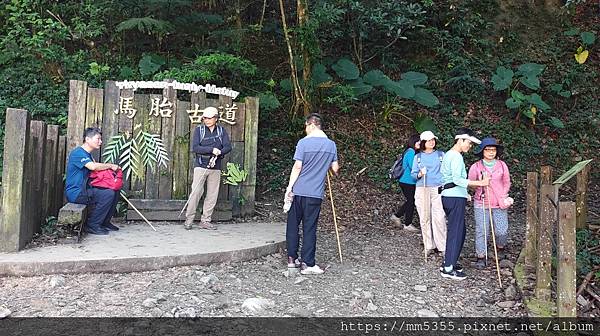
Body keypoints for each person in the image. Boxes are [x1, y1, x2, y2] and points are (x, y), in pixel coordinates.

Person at [285, 113, 339, 275]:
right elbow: (335, 169)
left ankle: (291, 259)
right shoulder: (331, 145)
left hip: (299, 190)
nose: (305, 130)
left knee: (293, 225)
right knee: (310, 227)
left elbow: (297, 167)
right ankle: (308, 264)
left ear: (312, 125)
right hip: (315, 194)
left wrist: (289, 187)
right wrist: (327, 167)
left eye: (306, 126)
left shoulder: (303, 143)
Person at [439, 128, 490, 280]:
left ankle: (450, 261)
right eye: (468, 142)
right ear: (460, 140)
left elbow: (452, 181)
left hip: (453, 196)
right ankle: (448, 267)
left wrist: (465, 193)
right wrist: (480, 182)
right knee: (456, 231)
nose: (469, 146)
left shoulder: (452, 155)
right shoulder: (455, 156)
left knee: (460, 231)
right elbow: (457, 180)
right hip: (453, 198)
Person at [65, 127, 121, 235]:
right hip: (76, 193)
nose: (100, 142)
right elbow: (93, 167)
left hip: (86, 190)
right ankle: (92, 225)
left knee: (114, 190)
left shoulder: (88, 155)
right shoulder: (78, 153)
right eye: (98, 139)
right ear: (87, 139)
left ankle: (104, 222)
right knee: (108, 194)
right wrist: (111, 165)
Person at [184, 106, 232, 230]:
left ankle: (205, 220)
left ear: (216, 118)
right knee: (196, 193)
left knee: (212, 195)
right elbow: (195, 148)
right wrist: (211, 150)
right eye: (205, 118)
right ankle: (189, 219)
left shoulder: (222, 131)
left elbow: (228, 147)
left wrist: (219, 152)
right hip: (200, 166)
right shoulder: (199, 130)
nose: (207, 120)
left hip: (216, 167)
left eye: (210, 118)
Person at [468, 137, 512, 269]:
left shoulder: (502, 165)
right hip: (481, 201)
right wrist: (480, 182)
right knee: (482, 230)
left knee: (501, 230)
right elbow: (470, 183)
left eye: (493, 150)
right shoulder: (476, 167)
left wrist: (503, 194)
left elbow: (506, 182)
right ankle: (481, 256)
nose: (491, 152)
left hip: (499, 202)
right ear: (482, 151)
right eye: (487, 150)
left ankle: (500, 248)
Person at [411, 131, 447, 257]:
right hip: (422, 188)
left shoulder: (441, 155)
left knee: (439, 217)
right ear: (423, 143)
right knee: (424, 217)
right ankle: (428, 245)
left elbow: (447, 170)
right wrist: (420, 174)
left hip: (438, 188)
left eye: (433, 140)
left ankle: (442, 246)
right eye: (429, 140)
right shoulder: (418, 157)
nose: (432, 142)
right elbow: (413, 175)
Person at [390, 134, 420, 231]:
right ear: (413, 142)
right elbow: (413, 167)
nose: (420, 143)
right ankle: (408, 224)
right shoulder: (411, 152)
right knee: (411, 201)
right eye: (418, 141)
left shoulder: (411, 151)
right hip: (408, 181)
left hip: (408, 181)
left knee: (411, 201)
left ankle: (397, 216)